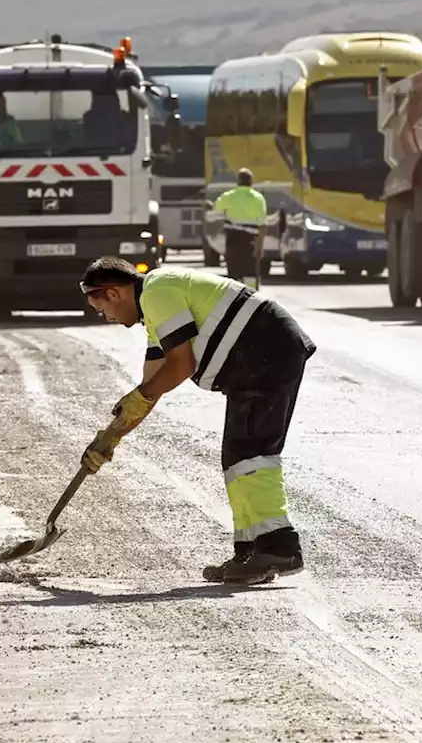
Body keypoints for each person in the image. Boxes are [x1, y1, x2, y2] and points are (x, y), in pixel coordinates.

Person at [78, 256, 316, 585]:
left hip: (265, 349)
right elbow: (149, 389)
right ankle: (251, 553)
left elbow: (181, 365)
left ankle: (280, 547)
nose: (105, 317)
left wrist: (136, 402)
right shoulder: (154, 313)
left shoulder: (157, 292)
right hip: (258, 355)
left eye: (100, 308)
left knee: (251, 454)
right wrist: (110, 438)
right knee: (237, 459)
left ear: (113, 293)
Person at [212, 168, 268, 289]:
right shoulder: (258, 198)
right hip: (250, 241)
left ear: (238, 181)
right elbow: (263, 226)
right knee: (250, 274)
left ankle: (234, 299)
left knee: (233, 273)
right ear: (251, 181)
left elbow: (216, 210)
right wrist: (260, 247)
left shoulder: (228, 196)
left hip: (233, 240)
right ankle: (252, 298)